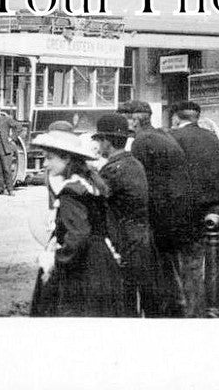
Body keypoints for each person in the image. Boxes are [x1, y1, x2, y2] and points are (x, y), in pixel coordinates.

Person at [30, 129, 129, 317]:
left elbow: (78, 235)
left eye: (49, 158)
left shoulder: (71, 192)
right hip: (101, 261)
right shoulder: (88, 183)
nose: (45, 164)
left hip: (83, 266)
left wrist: (55, 259)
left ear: (66, 158)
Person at [167, 100, 219, 318]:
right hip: (212, 209)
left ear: (176, 118)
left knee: (184, 265)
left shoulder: (172, 137)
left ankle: (190, 311)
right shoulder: (212, 138)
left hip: (184, 209)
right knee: (207, 262)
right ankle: (208, 308)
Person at [121, 99, 191, 317]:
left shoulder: (141, 142)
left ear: (133, 120)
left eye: (124, 119)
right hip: (176, 214)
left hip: (160, 219)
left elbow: (142, 184)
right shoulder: (162, 135)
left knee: (158, 275)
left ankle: (166, 315)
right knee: (170, 271)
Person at [91, 113, 152, 315]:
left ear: (107, 142)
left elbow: (95, 201)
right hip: (140, 238)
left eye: (99, 141)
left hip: (122, 241)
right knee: (135, 294)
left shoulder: (113, 170)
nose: (98, 146)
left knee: (123, 298)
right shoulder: (133, 163)